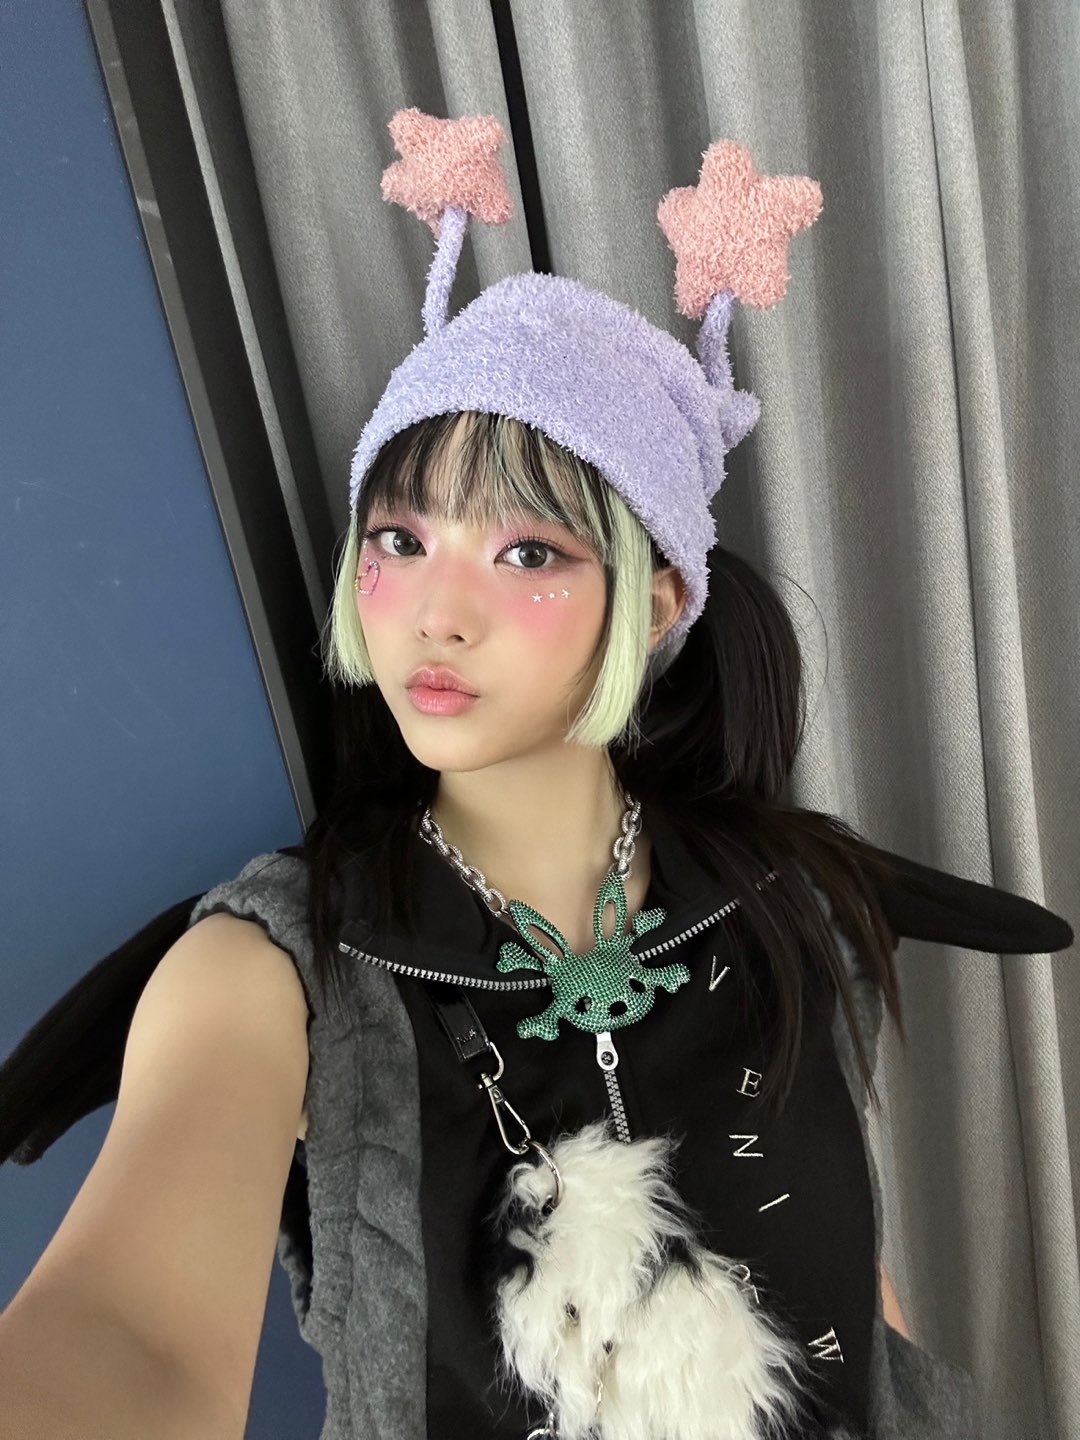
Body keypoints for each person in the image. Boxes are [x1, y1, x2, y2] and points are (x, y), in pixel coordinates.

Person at [0, 109, 1072, 1440]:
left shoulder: (786, 900)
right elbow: (132, 1336)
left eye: (526, 554)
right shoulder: (276, 965)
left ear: (658, 600)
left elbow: (859, 1292)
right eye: (400, 539)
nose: (435, 614)